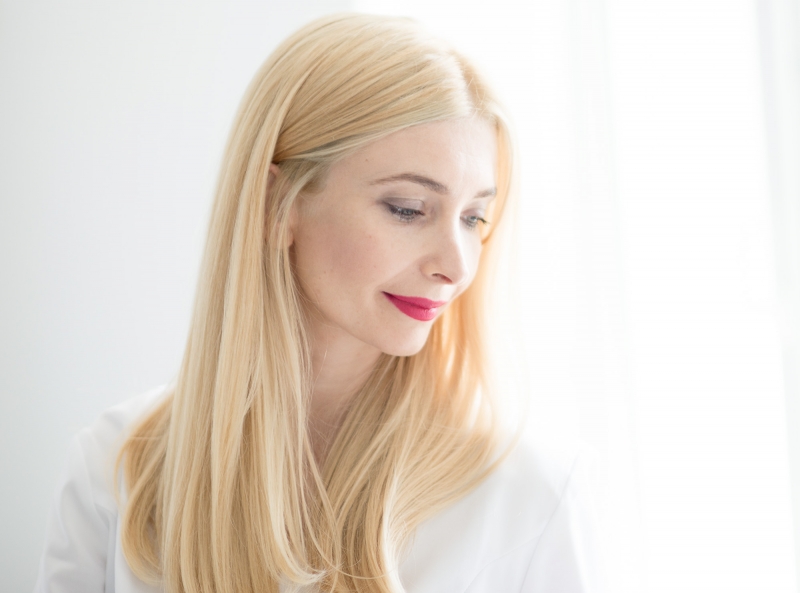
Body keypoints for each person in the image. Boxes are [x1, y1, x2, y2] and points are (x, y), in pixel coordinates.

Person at [34, 13, 603, 593]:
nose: (455, 266)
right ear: (275, 203)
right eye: (407, 209)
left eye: (473, 218)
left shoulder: (531, 499)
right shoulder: (114, 472)